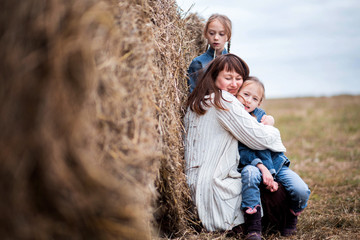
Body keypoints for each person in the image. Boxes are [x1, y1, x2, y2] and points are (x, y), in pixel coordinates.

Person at [184, 54, 286, 239]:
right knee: (279, 192)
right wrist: (270, 126)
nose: (234, 84)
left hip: (192, 188)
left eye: (239, 78)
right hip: (214, 188)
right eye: (228, 78)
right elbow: (259, 138)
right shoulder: (223, 100)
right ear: (214, 77)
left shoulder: (197, 100)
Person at [236, 76, 311, 238]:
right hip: (251, 164)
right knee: (250, 175)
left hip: (276, 163)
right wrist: (263, 169)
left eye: (254, 98)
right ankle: (254, 227)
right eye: (245, 94)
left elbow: (268, 142)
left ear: (259, 103)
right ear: (237, 94)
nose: (248, 101)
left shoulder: (261, 116)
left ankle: (292, 216)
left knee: (301, 190)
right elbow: (242, 150)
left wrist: (270, 121)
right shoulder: (235, 117)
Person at [187, 14, 232, 93]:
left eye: (221, 34)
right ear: (205, 34)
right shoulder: (198, 63)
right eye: (211, 33)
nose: (216, 38)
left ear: (228, 37)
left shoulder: (234, 63)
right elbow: (193, 93)